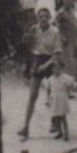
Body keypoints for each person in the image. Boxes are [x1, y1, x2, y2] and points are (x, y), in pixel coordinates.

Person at [17, 7, 60, 139]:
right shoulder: (34, 30)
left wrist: (46, 65)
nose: (43, 19)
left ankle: (54, 122)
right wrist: (27, 37)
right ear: (38, 18)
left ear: (50, 18)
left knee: (54, 93)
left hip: (50, 61)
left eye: (46, 16)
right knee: (32, 96)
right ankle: (25, 127)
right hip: (37, 60)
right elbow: (27, 48)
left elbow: (57, 53)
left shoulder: (55, 32)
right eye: (41, 16)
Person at [47, 54, 72, 141]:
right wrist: (48, 100)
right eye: (54, 68)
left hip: (62, 99)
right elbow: (48, 90)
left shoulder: (65, 78)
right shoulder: (50, 79)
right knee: (56, 117)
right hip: (54, 99)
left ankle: (66, 134)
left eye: (58, 68)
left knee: (63, 117)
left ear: (61, 68)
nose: (56, 70)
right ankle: (59, 132)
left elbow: (69, 86)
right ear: (52, 69)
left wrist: (68, 94)